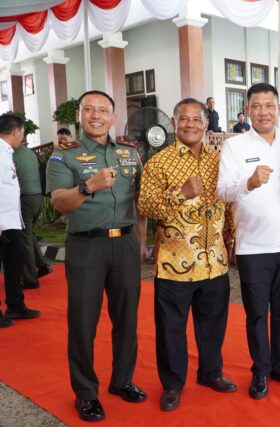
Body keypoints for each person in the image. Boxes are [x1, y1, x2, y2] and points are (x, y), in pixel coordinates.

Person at [46, 90, 147, 422]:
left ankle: (122, 381)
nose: (96, 115)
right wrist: (87, 186)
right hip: (87, 246)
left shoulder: (129, 153)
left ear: (113, 117)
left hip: (126, 243)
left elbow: (139, 200)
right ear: (79, 116)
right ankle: (86, 394)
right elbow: (59, 203)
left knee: (127, 318)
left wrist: (140, 242)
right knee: (83, 322)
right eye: (89, 109)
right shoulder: (64, 156)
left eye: (103, 110)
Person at [138, 98, 237, 412]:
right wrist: (180, 193)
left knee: (214, 325)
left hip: (214, 263)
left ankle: (211, 373)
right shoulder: (159, 162)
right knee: (171, 330)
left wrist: (230, 239)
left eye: (197, 119)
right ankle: (172, 384)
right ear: (174, 122)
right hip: (174, 264)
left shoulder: (219, 160)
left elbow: (227, 203)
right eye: (184, 118)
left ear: (206, 124)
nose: (190, 124)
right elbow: (146, 206)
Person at [217, 83, 280, 400]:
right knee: (256, 314)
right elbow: (222, 191)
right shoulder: (234, 146)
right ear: (247, 110)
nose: (263, 112)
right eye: (256, 106)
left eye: (269, 105)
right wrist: (249, 182)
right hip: (253, 246)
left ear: (279, 109)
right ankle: (261, 371)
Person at [0, 113, 40, 328]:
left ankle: (16, 305)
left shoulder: (7, 151)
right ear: (16, 131)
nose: (22, 137)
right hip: (1, 223)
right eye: (22, 133)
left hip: (11, 222)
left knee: (15, 263)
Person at [13, 139, 52, 289]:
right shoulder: (29, 153)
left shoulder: (11, 154)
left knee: (24, 239)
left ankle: (30, 279)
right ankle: (43, 265)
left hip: (24, 199)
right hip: (37, 198)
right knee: (28, 235)